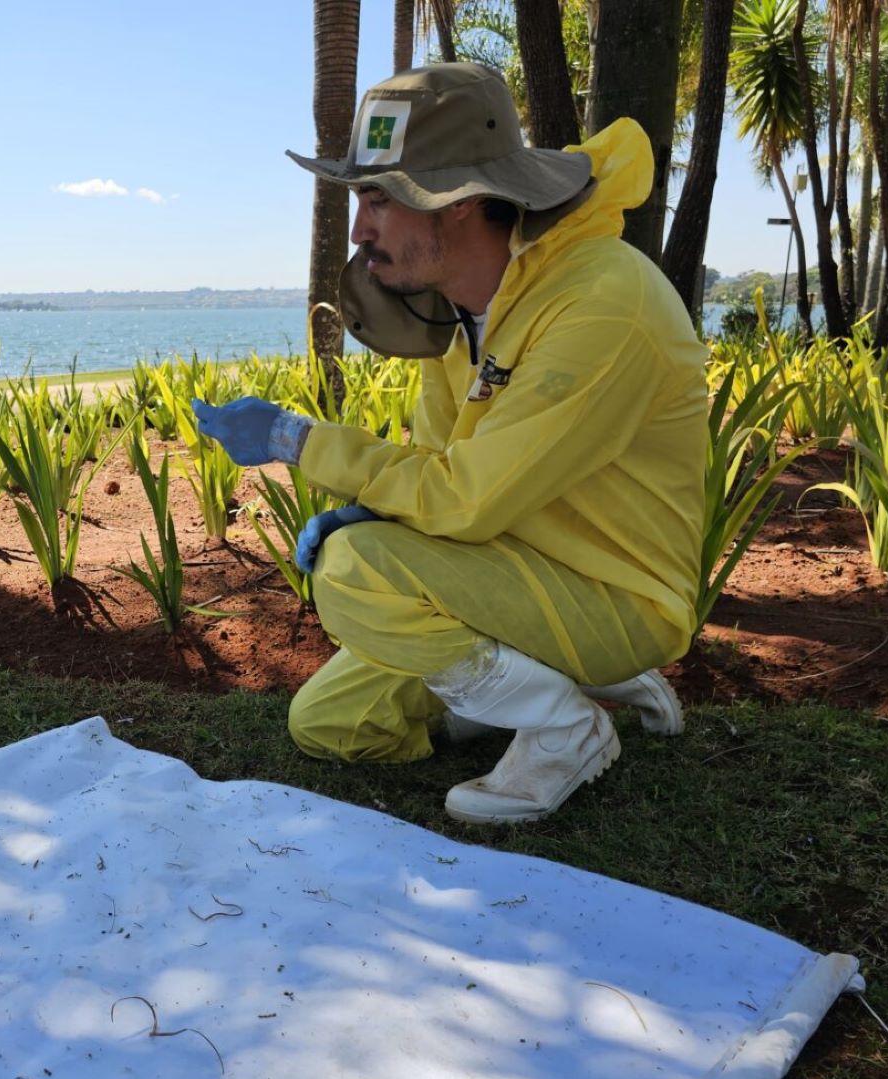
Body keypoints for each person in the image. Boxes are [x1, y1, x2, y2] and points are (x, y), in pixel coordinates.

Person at [194, 63, 707, 825]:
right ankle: (562, 685)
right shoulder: (457, 313)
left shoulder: (603, 302)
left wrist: (296, 439)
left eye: (378, 198)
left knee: (351, 571)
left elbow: (467, 497)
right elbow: (441, 474)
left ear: (460, 200)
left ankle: (566, 726)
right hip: (514, 572)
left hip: (615, 593)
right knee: (330, 722)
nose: (361, 229)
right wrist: (377, 509)